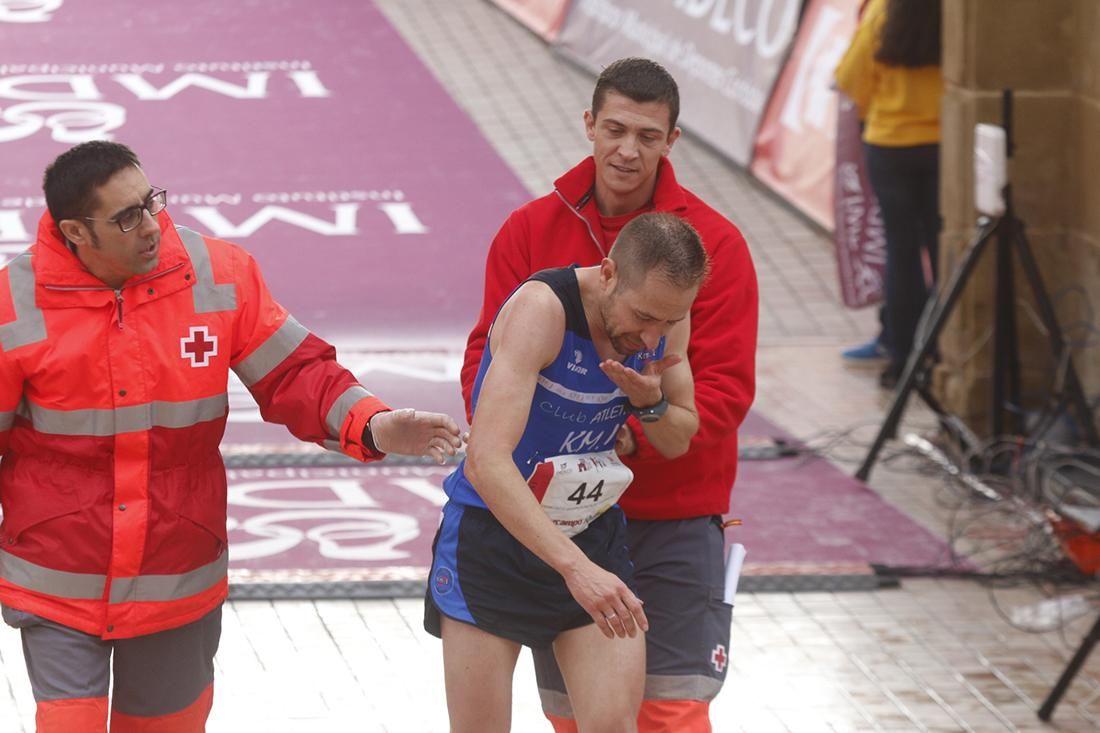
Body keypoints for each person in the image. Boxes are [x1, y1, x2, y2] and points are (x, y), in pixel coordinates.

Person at [0, 140, 463, 732]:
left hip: (177, 577)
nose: (153, 225)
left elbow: (297, 374)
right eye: (127, 217)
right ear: (75, 232)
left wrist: (371, 423)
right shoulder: (15, 303)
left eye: (152, 202)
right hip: (58, 584)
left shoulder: (219, 274)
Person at [461, 58, 758, 732]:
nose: (629, 150)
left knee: (672, 713)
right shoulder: (530, 232)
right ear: (589, 124)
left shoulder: (715, 245)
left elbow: (724, 389)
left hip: (674, 514)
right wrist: (557, 442)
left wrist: (636, 428)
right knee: (573, 718)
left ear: (672, 141)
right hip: (565, 521)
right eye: (616, 129)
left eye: (648, 136)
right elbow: (483, 361)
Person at [427, 212, 708, 732]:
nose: (653, 335)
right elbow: (487, 460)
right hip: (495, 535)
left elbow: (678, 439)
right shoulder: (542, 310)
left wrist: (650, 407)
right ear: (607, 274)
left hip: (588, 530)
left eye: (667, 323)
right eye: (642, 315)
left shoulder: (667, 317)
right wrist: (574, 570)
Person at [835, 0, 943, 389]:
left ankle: (901, 358)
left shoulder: (884, 10)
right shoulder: (956, 12)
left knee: (902, 254)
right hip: (942, 143)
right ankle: (944, 352)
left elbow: (851, 76)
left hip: (890, 143)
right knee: (945, 252)